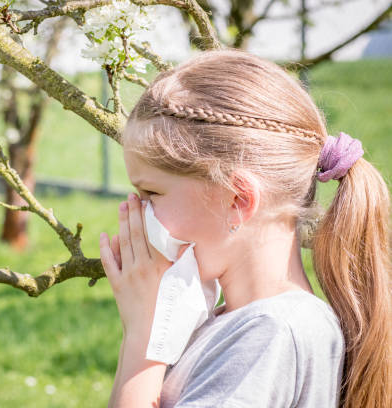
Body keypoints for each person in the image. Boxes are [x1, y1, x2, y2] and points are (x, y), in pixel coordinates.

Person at [98, 48, 391, 408]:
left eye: (151, 193)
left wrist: (144, 339)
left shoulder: (271, 332)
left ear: (237, 200)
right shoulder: (239, 324)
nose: (137, 212)